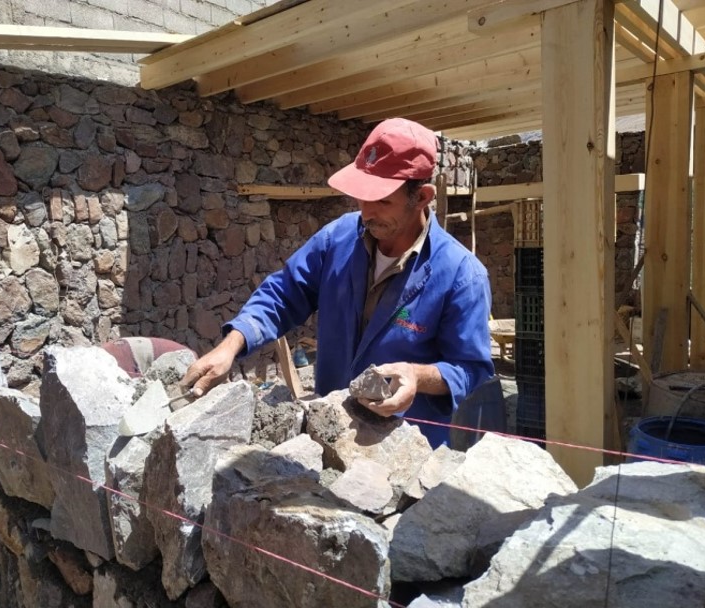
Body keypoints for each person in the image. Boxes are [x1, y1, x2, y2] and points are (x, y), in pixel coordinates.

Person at [182, 118, 494, 447]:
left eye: (382, 200)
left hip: (406, 458)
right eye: (362, 197)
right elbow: (283, 295)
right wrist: (231, 345)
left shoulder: (461, 274)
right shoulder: (339, 238)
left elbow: (471, 369)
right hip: (329, 439)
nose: (367, 212)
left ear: (422, 197)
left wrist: (418, 376)